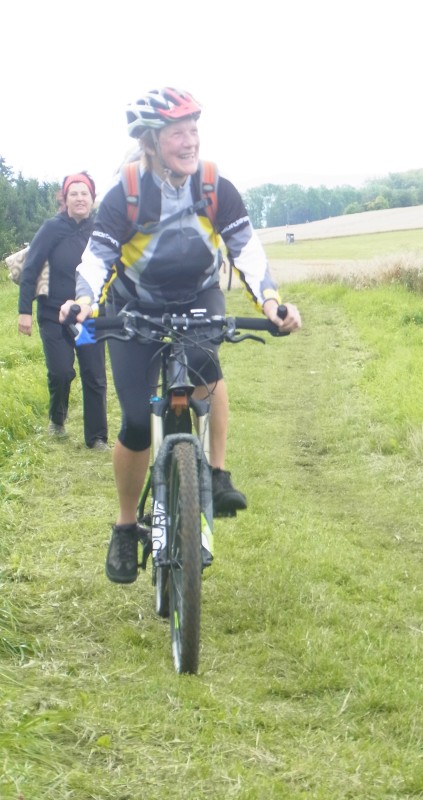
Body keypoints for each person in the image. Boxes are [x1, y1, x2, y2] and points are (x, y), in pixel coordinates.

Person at [59, 87, 302, 585]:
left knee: (207, 368)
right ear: (150, 142)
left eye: (194, 130)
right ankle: (125, 527)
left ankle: (215, 473)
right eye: (177, 133)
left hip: (197, 294)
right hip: (134, 305)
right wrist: (83, 303)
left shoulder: (213, 186)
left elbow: (245, 249)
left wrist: (272, 303)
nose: (190, 141)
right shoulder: (126, 193)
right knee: (133, 421)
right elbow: (98, 257)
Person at [18, 172, 109, 450]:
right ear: (65, 199)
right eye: (74, 194)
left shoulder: (101, 230)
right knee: (60, 372)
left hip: (89, 316)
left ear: (92, 198)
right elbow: (30, 268)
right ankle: (57, 420)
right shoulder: (52, 228)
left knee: (94, 375)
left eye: (85, 194)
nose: (80, 198)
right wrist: (24, 311)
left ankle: (97, 437)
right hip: (53, 314)